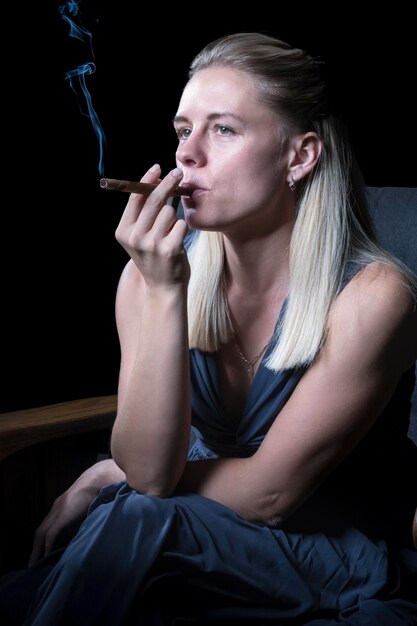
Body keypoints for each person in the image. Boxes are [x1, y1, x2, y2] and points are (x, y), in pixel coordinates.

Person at [1, 31, 416, 625]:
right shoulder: (150, 276)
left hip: (325, 553)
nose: (187, 154)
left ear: (299, 156)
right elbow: (149, 471)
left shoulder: (376, 299)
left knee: (136, 519)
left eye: (222, 129)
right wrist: (166, 293)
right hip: (177, 533)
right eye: (182, 130)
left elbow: (271, 497)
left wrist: (109, 473)